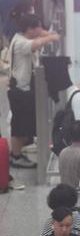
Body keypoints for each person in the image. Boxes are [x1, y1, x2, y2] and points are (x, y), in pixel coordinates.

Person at [6, 14, 60, 168]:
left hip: (22, 89)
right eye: (38, 27)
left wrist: (47, 33)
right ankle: (15, 156)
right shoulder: (21, 43)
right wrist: (51, 37)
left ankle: (18, 152)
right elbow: (36, 44)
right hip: (19, 90)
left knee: (24, 124)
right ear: (30, 29)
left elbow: (39, 36)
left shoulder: (21, 36)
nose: (41, 30)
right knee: (19, 126)